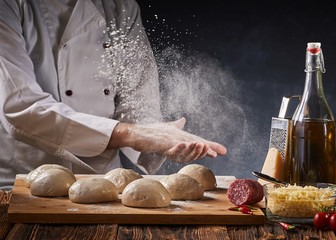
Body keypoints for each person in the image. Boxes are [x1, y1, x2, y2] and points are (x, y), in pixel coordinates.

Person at [0, 0, 227, 190]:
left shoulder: (121, 6)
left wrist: (160, 141)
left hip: (103, 183)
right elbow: (20, 106)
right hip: (22, 181)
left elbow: (136, 104)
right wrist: (131, 134)